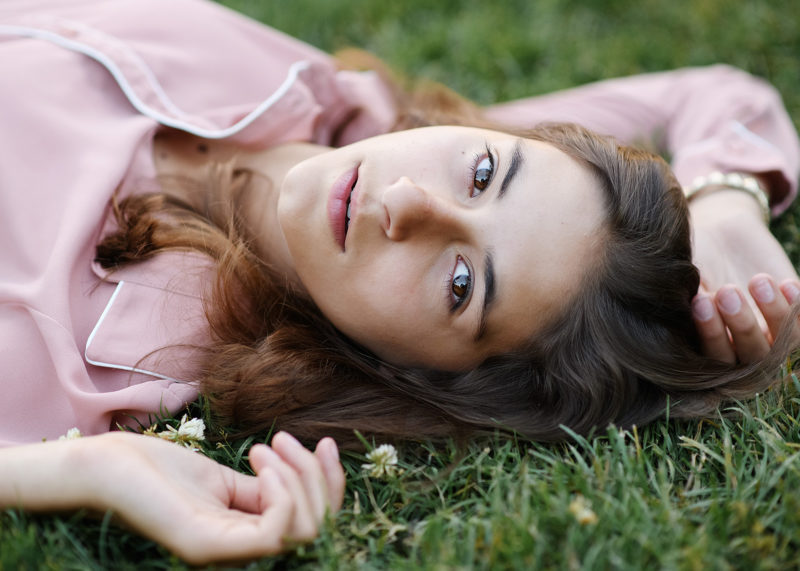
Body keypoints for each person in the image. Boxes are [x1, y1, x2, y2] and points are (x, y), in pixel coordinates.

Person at [1, 0, 799, 563]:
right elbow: (715, 91)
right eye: (485, 169)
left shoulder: (110, 359)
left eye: (460, 283)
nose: (411, 203)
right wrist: (728, 200)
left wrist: (82, 469)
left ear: (413, 373)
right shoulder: (343, 113)